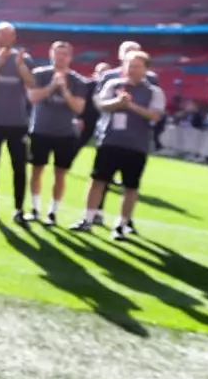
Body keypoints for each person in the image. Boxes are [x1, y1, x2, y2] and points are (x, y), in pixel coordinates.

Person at [71, 50, 165, 239]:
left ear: (146, 69)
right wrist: (117, 102)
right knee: (97, 180)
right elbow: (101, 105)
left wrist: (131, 106)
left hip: (136, 145)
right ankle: (88, 219)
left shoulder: (154, 92)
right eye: (129, 65)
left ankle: (121, 225)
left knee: (130, 187)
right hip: (110, 141)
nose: (132, 69)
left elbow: (155, 115)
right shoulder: (113, 84)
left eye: (137, 66)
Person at [25, 41, 88, 226]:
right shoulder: (39, 74)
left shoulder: (78, 81)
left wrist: (65, 91)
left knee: (60, 174)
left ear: (70, 57)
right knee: (37, 170)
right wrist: (52, 86)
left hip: (66, 133)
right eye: (57, 53)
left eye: (64, 54)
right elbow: (33, 97)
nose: (60, 58)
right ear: (51, 54)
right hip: (40, 130)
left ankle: (52, 212)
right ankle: (35, 209)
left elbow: (78, 108)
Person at [0, 22, 35, 220]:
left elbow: (31, 83)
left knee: (19, 167)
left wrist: (19, 66)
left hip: (17, 122)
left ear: (14, 37)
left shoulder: (24, 58)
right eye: (1, 34)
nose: (4, 38)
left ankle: (19, 209)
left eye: (8, 34)